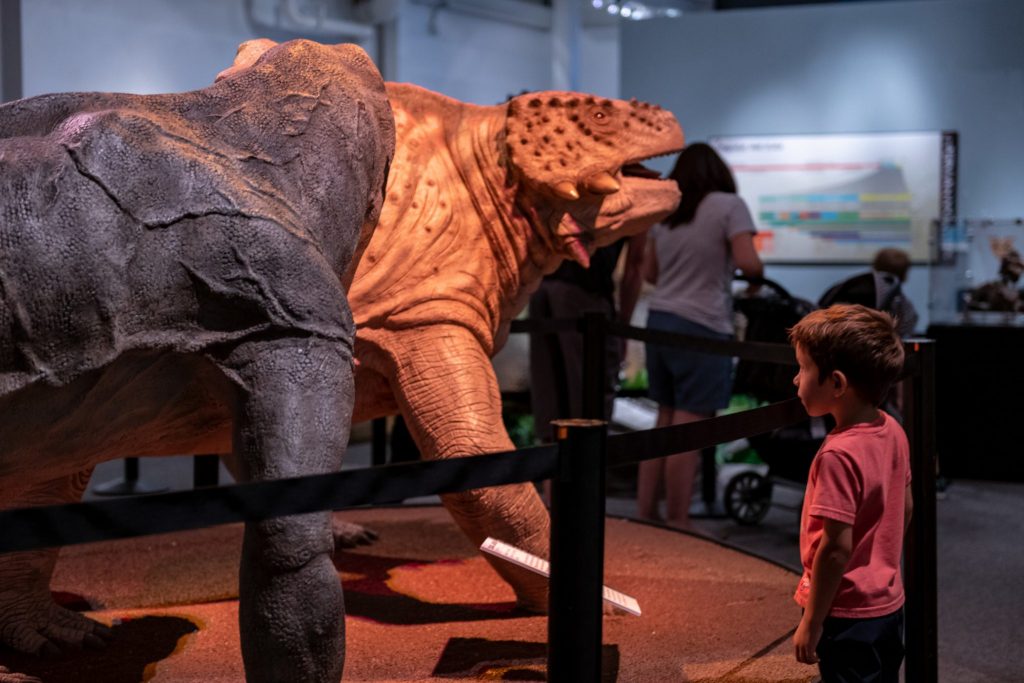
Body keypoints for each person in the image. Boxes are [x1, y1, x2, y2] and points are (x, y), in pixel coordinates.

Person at [638, 142, 763, 529]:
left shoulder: (667, 210)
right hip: (703, 326)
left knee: (663, 419)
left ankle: (647, 513)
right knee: (689, 427)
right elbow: (748, 262)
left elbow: (650, 275)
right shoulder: (729, 205)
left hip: (660, 321)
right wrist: (750, 282)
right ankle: (679, 520)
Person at [788, 304, 912, 682]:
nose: (796, 380)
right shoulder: (893, 429)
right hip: (888, 602)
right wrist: (879, 564)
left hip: (845, 612)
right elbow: (905, 508)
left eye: (804, 368)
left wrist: (812, 620)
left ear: (837, 384)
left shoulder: (838, 454)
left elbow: (836, 547)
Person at [529, 233, 646, 444]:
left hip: (543, 285)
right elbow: (635, 265)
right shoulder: (642, 200)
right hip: (585, 293)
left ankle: (552, 474)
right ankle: (583, 472)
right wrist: (623, 327)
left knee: (552, 397)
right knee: (589, 400)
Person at [818, 247, 918, 337]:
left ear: (875, 266)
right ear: (904, 275)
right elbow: (903, 335)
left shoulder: (850, 285)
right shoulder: (903, 306)